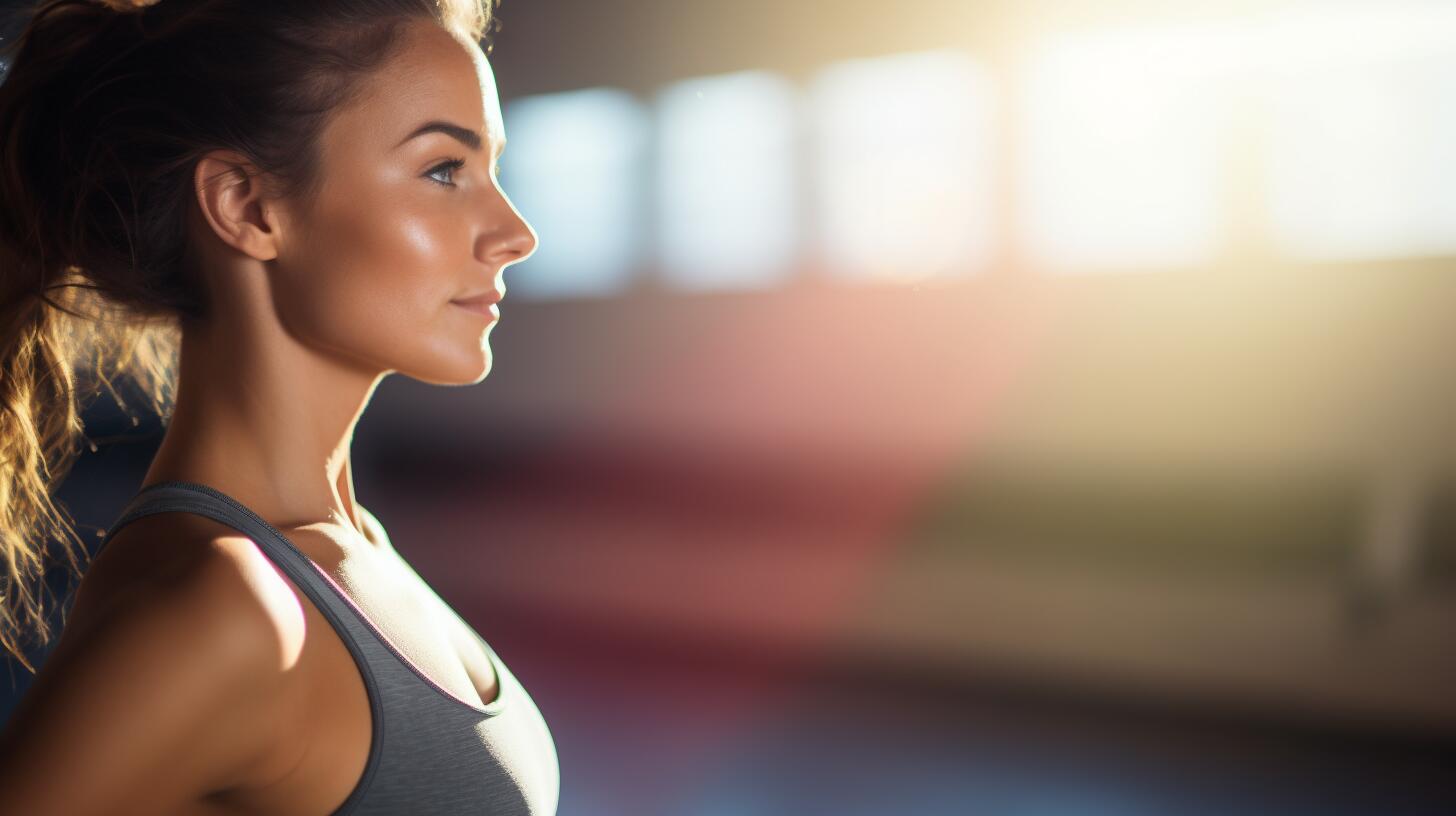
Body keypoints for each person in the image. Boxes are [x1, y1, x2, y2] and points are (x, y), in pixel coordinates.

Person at [0, 0, 557, 813]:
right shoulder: (225, 612)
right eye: (445, 170)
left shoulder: (354, 551)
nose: (515, 231)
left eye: (492, 170)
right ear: (246, 206)